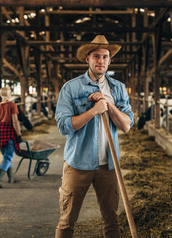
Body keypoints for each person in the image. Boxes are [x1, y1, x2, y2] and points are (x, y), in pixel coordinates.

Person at [54, 35, 134, 238]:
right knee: (66, 222)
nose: (101, 60)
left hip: (109, 165)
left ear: (110, 60)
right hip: (77, 163)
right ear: (87, 59)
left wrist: (110, 105)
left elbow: (126, 125)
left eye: (105, 56)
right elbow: (64, 126)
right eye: (96, 56)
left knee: (112, 221)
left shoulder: (118, 88)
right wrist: (94, 110)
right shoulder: (71, 88)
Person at [0, 86, 22, 188]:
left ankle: (11, 178)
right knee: (8, 157)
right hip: (10, 132)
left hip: (0, 132)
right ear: (9, 94)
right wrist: (19, 134)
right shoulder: (12, 105)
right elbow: (15, 122)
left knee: (6, 156)